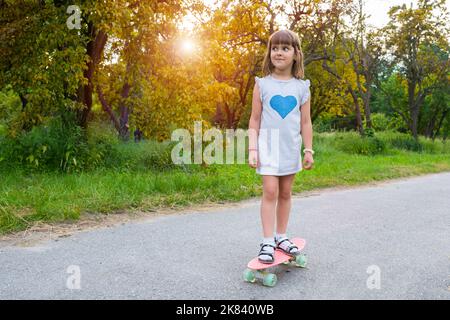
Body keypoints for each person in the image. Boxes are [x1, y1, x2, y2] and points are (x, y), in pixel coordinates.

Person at [248, 30, 314, 264]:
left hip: (290, 148)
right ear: (269, 52)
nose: (278, 52)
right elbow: (254, 120)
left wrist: (308, 150)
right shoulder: (262, 85)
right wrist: (252, 149)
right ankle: (267, 241)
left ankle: (281, 236)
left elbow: (305, 122)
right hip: (268, 148)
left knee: (285, 193)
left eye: (285, 48)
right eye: (275, 48)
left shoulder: (301, 87)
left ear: (296, 54)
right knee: (271, 191)